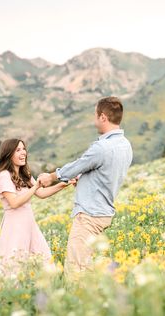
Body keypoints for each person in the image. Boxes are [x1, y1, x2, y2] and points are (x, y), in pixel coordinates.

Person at [38, 96, 133, 279]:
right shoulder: (125, 145)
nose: (94, 119)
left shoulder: (102, 147)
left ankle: (78, 303)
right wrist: (86, 180)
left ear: (103, 117)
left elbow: (78, 165)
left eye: (95, 115)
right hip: (104, 212)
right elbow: (106, 172)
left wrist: (51, 177)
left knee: (76, 268)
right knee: (90, 265)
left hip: (89, 215)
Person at [0, 138, 75, 275]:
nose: (23, 152)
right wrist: (36, 185)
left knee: (44, 259)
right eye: (18, 150)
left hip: (30, 225)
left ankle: (47, 290)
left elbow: (41, 193)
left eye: (24, 149)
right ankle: (10, 294)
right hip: (15, 227)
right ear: (8, 154)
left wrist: (63, 184)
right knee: (13, 265)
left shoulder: (25, 175)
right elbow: (14, 203)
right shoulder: (4, 176)